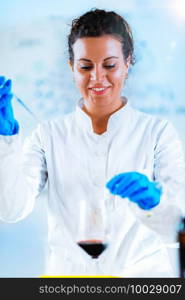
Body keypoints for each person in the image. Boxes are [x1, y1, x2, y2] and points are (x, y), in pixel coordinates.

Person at [0, 8, 184, 277]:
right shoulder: (47, 135)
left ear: (128, 62)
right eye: (85, 66)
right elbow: (11, 208)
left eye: (109, 65)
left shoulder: (157, 132)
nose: (97, 78)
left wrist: (154, 202)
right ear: (72, 67)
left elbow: (176, 229)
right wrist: (5, 137)